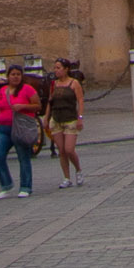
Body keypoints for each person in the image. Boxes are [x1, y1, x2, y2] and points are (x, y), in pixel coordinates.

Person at [0, 63, 41, 196]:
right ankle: (6, 184)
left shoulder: (27, 89)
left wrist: (22, 106)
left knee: (23, 157)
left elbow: (37, 106)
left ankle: (25, 187)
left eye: (18, 74)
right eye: (13, 74)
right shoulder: (3, 90)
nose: (15, 77)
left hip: (20, 127)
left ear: (22, 76)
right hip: (4, 128)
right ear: (8, 76)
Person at [48, 58, 84, 189]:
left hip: (70, 119)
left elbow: (80, 101)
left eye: (58, 68)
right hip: (57, 118)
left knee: (69, 149)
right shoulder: (54, 84)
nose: (56, 70)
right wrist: (46, 118)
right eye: (55, 68)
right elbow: (49, 102)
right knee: (61, 150)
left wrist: (80, 117)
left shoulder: (74, 83)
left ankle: (78, 170)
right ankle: (66, 177)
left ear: (66, 69)